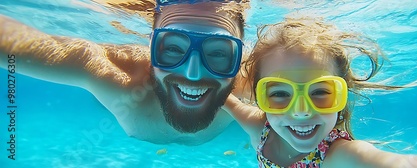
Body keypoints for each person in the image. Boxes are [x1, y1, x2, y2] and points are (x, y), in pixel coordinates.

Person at [223, 17, 417, 167]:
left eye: (321, 92)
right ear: (260, 99)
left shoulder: (338, 156)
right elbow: (223, 96)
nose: (301, 110)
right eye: (279, 94)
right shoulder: (260, 126)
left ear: (343, 95)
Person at [0, 0, 249, 145]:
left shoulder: (254, 80)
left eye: (218, 53)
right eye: (172, 48)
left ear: (240, 57)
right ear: (151, 47)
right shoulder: (115, 74)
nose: (193, 74)